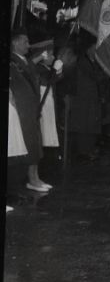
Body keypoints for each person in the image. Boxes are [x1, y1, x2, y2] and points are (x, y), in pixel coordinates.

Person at [9, 30, 49, 192]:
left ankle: (35, 177)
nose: (29, 45)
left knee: (34, 142)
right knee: (29, 143)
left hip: (31, 107)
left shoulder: (25, 61)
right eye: (25, 42)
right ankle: (31, 179)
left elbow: (38, 74)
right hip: (21, 108)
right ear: (15, 43)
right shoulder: (12, 61)